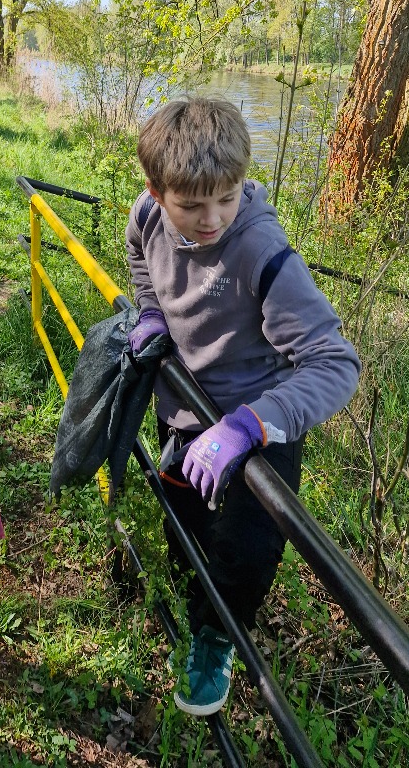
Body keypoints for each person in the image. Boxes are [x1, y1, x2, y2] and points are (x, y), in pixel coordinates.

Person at [125, 97, 359, 718]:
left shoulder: (262, 250)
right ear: (157, 190)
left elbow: (336, 363)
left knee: (249, 548)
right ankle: (192, 591)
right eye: (192, 205)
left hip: (261, 423)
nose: (212, 219)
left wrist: (251, 424)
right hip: (184, 406)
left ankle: (215, 636)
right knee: (186, 520)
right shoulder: (148, 214)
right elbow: (140, 257)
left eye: (227, 199)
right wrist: (151, 311)